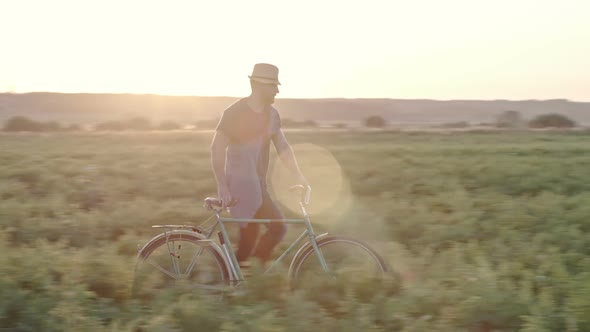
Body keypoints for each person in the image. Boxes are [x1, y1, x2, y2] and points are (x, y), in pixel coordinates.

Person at [210, 63, 310, 267]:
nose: (277, 90)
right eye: (274, 85)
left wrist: (299, 176)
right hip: (242, 186)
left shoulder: (272, 115)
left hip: (258, 186)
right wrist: (222, 185)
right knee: (277, 228)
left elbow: (283, 148)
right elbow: (216, 148)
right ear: (259, 85)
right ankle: (250, 279)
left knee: (250, 239)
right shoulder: (234, 113)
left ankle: (240, 280)